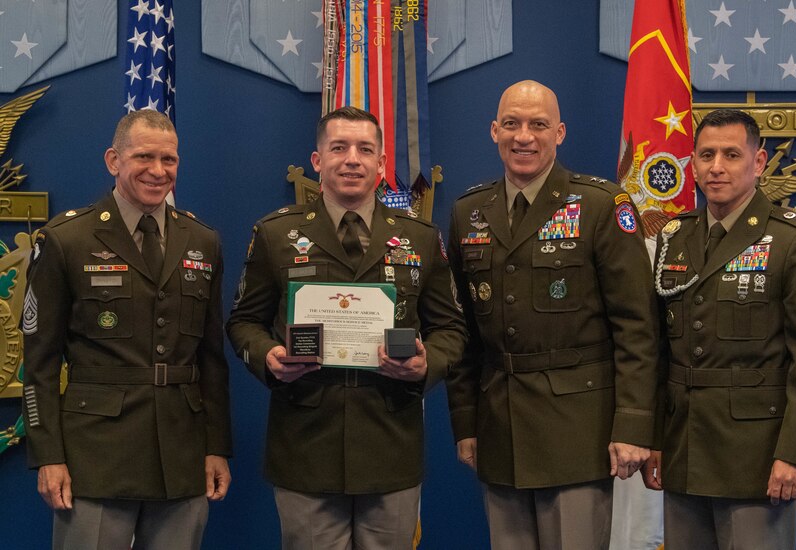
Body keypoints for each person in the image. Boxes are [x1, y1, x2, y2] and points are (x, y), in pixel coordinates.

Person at [225, 106, 466, 549]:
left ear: (380, 163)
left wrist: (427, 363)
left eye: (364, 149)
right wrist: (268, 357)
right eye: (339, 148)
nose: (351, 159)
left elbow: (451, 330)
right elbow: (243, 323)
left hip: (390, 442)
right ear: (317, 161)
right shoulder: (276, 234)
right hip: (305, 445)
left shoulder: (420, 238)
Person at [446, 79, 659, 549]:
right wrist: (466, 423)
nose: (524, 136)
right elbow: (462, 333)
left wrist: (633, 425)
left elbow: (637, 328)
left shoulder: (602, 205)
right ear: (493, 131)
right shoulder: (468, 211)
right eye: (512, 124)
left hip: (578, 430)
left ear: (559, 132)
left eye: (538, 124)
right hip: (499, 430)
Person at [22, 110, 232, 549]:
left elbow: (212, 359)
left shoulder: (202, 241)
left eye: (169, 160)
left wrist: (216, 447)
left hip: (181, 453)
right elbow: (39, 364)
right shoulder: (67, 239)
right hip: (96, 457)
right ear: (113, 160)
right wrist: (49, 456)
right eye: (144, 157)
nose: (158, 171)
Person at [642, 109, 796, 549]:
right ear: (694, 163)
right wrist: (654, 441)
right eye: (706, 155)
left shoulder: (794, 240)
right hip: (684, 451)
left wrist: (795, 453)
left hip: (758, 461)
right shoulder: (674, 237)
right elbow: (658, 353)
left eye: (731, 154)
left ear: (759, 162)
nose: (717, 167)